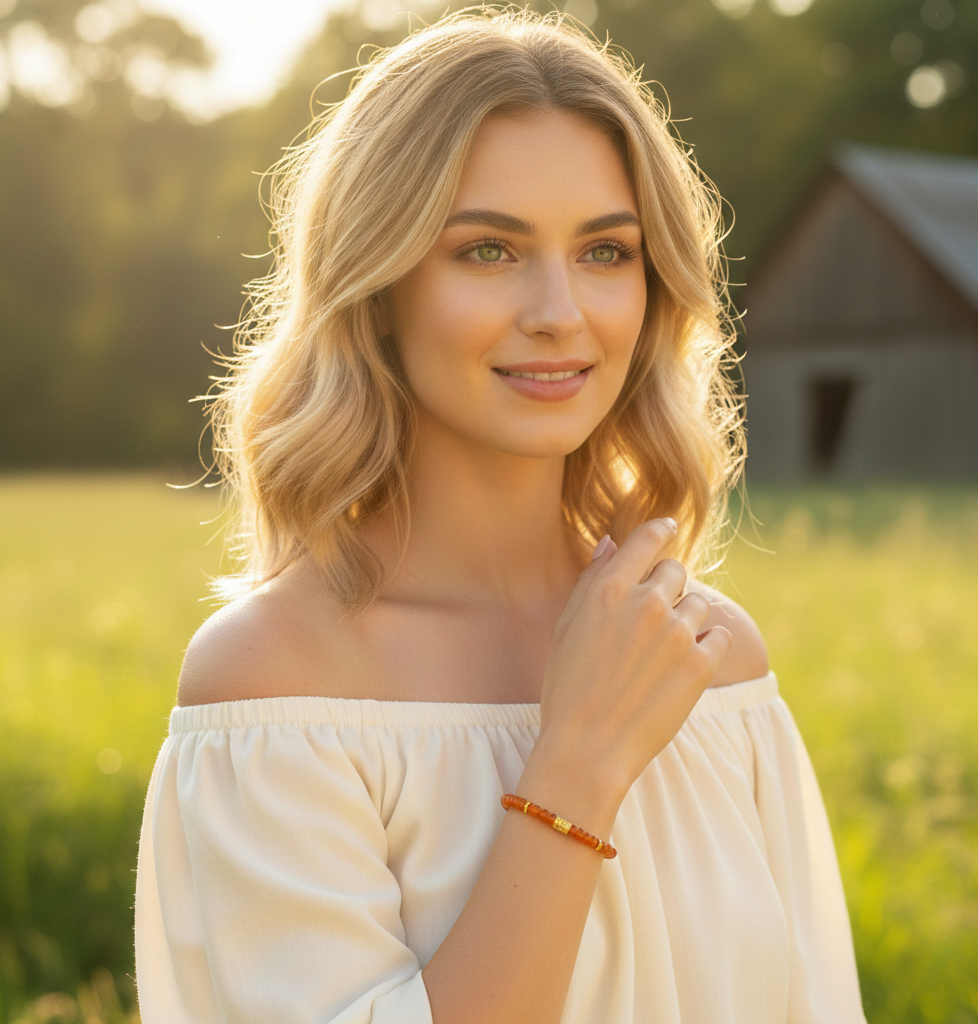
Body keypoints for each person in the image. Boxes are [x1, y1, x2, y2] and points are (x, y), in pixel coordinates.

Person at [134, 9, 867, 1023]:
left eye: (606, 252)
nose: (560, 313)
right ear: (378, 288)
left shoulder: (711, 659)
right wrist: (579, 761)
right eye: (487, 250)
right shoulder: (278, 680)